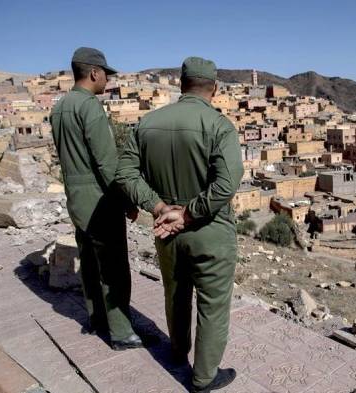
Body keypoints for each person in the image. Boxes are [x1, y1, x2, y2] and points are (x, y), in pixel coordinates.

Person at [115, 56, 244, 393]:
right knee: (212, 305)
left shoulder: (148, 123)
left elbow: (125, 173)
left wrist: (157, 206)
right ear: (214, 88)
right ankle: (203, 378)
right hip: (210, 232)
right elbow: (227, 184)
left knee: (175, 294)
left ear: (180, 84)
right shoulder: (219, 126)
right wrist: (188, 213)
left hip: (164, 230)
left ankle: (176, 351)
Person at [50, 47, 143, 350]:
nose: (108, 80)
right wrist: (127, 200)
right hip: (99, 199)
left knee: (89, 261)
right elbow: (106, 162)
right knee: (114, 267)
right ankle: (122, 332)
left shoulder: (60, 108)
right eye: (106, 74)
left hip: (75, 196)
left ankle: (96, 321)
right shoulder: (89, 107)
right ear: (93, 73)